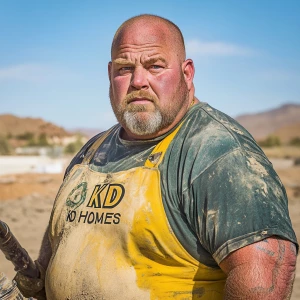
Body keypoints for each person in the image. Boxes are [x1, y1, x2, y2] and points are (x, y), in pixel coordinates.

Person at [15, 14, 298, 300]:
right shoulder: (92, 151)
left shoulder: (217, 152)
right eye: (125, 68)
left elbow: (263, 280)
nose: (138, 81)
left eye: (155, 66)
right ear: (110, 74)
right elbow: (60, 242)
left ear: (187, 74)